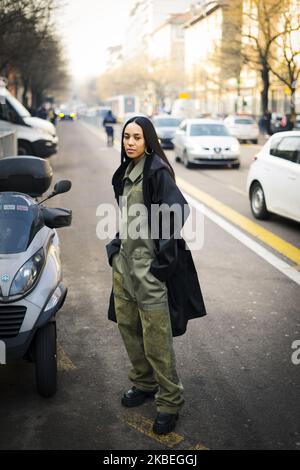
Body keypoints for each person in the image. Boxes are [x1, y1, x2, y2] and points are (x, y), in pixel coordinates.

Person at [106, 116, 206, 435]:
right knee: (128, 327)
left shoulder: (157, 172)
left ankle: (169, 401)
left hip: (148, 269)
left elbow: (178, 211)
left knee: (156, 338)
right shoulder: (124, 172)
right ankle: (144, 383)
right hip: (124, 268)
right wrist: (115, 245)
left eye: (136, 137)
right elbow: (128, 216)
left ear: (148, 140)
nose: (130, 142)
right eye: (126, 137)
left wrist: (160, 263)